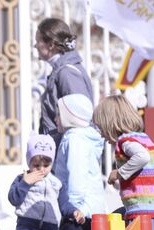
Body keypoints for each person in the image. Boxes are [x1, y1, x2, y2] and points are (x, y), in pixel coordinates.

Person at [93, 94, 154, 230]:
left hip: (143, 215)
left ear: (111, 124)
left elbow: (142, 157)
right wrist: (122, 182)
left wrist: (119, 173)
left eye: (101, 128)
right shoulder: (145, 139)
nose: (101, 135)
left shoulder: (125, 142)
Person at [53, 94, 105, 230]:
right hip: (91, 208)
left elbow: (77, 172)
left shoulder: (75, 139)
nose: (55, 119)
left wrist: (74, 208)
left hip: (78, 208)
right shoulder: (85, 137)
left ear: (71, 117)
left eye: (59, 114)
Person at [8, 133, 76, 230]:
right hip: (27, 228)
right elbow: (13, 199)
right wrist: (25, 183)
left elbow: (64, 204)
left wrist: (74, 212)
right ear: (29, 162)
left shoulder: (56, 183)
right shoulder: (22, 179)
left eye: (46, 165)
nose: (42, 169)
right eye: (36, 165)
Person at [35, 18, 93, 147]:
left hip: (67, 153)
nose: (35, 46)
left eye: (38, 41)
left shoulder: (67, 73)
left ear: (51, 45)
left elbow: (79, 119)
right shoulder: (60, 71)